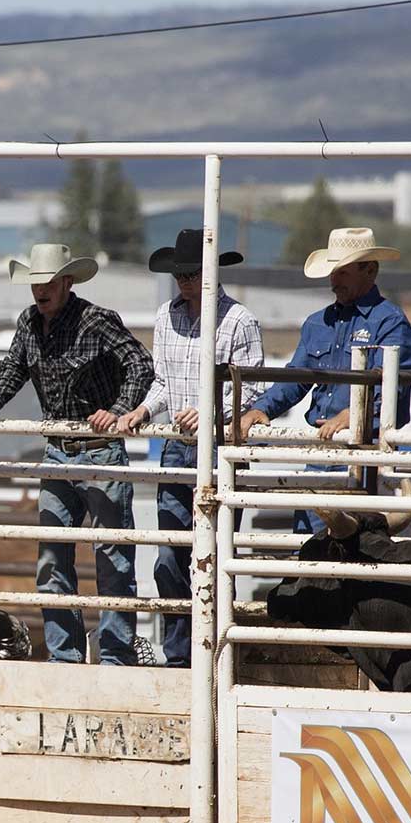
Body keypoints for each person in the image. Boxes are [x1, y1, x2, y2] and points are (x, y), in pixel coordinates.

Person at [0, 242, 154, 666]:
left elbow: (141, 364)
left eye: (47, 282)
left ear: (67, 282)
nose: (40, 291)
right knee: (53, 557)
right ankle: (65, 655)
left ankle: (116, 656)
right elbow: (13, 368)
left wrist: (120, 410)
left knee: (112, 559)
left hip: (100, 450)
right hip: (58, 452)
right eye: (35, 283)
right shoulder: (29, 322)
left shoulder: (97, 321)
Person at [118, 229, 267, 669]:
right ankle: (180, 658)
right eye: (179, 273)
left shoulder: (240, 320)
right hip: (177, 447)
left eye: (191, 272)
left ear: (209, 272)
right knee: (169, 556)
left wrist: (210, 412)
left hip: (220, 451)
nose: (184, 280)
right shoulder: (166, 315)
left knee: (217, 556)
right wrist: (143, 411)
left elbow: (252, 386)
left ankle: (217, 656)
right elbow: (162, 382)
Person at [235, 227, 411, 533]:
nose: (334, 281)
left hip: (367, 456)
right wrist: (263, 409)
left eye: (342, 272)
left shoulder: (390, 322)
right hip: (322, 452)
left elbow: (394, 389)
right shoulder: (318, 323)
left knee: (358, 550)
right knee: (312, 546)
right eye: (333, 272)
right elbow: (296, 377)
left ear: (370, 270)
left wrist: (356, 415)